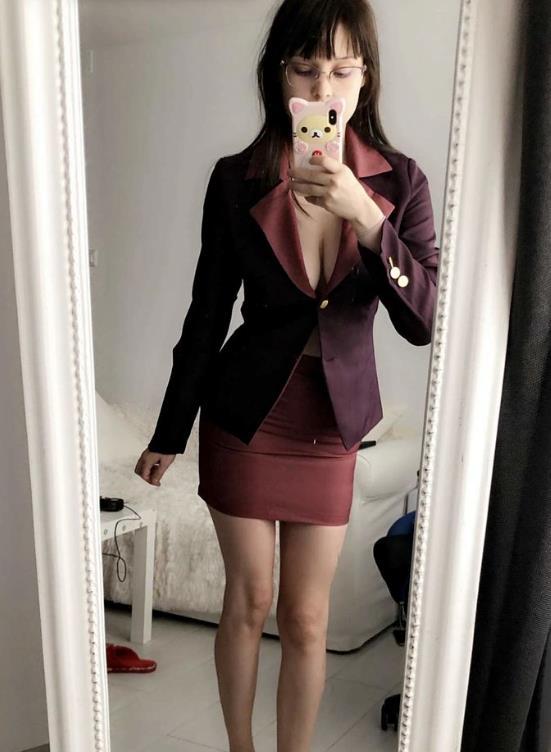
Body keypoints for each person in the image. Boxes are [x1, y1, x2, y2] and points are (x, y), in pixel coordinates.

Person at [135, 1, 439, 750]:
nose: (322, 88)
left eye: (341, 70)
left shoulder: (400, 182)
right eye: (305, 68)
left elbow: (424, 319)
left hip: (330, 424)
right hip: (245, 416)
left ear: (365, 77)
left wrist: (367, 219)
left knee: (305, 618)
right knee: (249, 600)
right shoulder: (235, 179)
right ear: (278, 75)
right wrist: (169, 433)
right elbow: (206, 315)